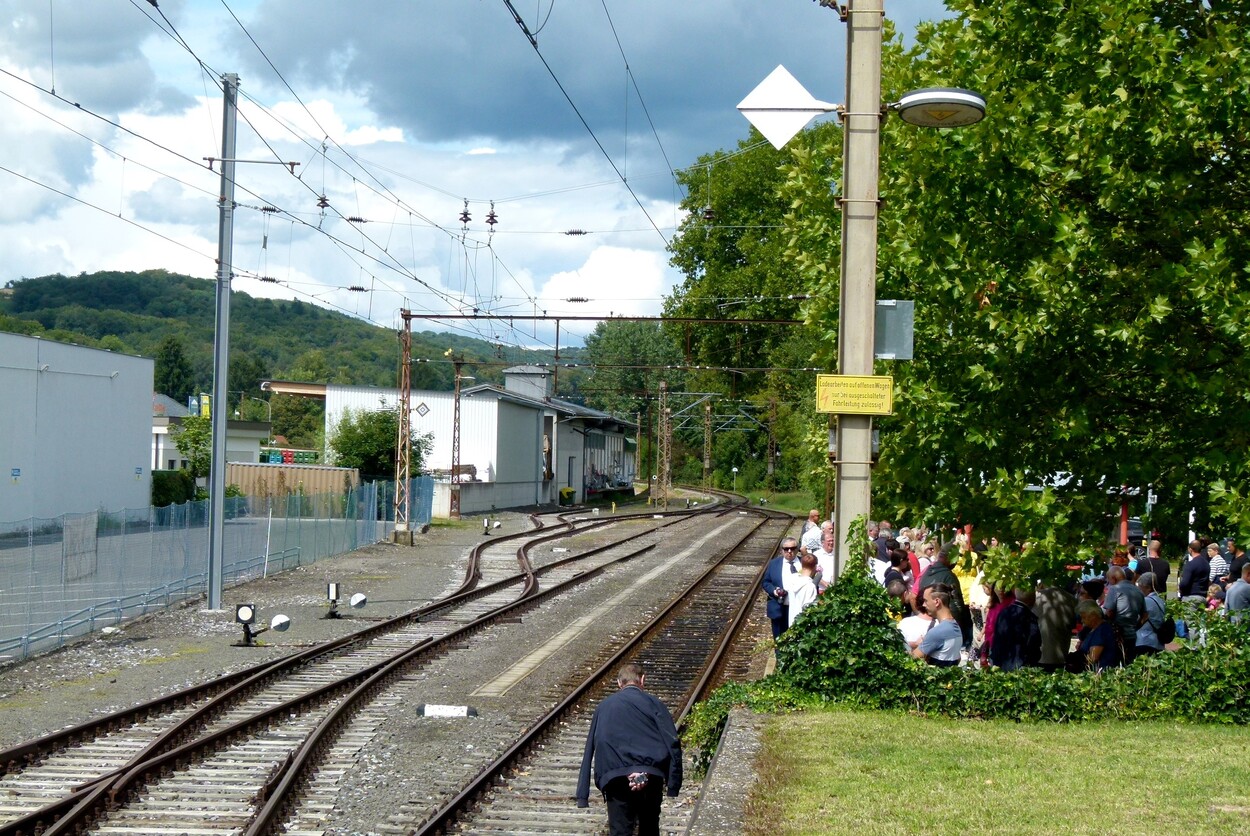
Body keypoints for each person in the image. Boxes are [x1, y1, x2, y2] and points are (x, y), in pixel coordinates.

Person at [576, 663, 682, 836]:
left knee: (620, 830)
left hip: (615, 778)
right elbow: (672, 743)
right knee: (649, 827)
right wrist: (672, 784)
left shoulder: (604, 707)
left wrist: (583, 795)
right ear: (642, 680)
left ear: (619, 683)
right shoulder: (655, 704)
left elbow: (596, 743)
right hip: (651, 776)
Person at [919, 543, 974, 650]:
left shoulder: (927, 572)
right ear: (948, 557)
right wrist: (958, 629)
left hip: (925, 621)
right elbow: (956, 606)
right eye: (955, 558)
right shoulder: (948, 576)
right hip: (944, 626)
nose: (956, 562)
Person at [988, 587, 1041, 671]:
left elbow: (997, 639)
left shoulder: (1003, 612)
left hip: (1001, 663)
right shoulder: (1029, 617)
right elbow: (1034, 644)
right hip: (1021, 666)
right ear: (1032, 599)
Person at [1102, 566, 1145, 663]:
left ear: (1113, 578)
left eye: (1109, 580)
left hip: (1116, 635)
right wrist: (1135, 626)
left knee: (1113, 664)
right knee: (1128, 663)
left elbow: (1109, 612)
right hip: (1132, 636)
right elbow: (1145, 615)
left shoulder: (1114, 589)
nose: (1109, 583)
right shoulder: (1138, 591)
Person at [913, 586, 962, 666]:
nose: (923, 605)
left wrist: (917, 645)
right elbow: (958, 658)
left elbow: (911, 659)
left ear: (937, 602)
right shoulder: (956, 626)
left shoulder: (938, 632)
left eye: (926, 601)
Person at [1034, 581, 1078, 672]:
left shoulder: (1036, 597)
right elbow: (1074, 624)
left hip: (1039, 653)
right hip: (1061, 654)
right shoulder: (1071, 599)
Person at [761, 538, 800, 641]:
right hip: (779, 608)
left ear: (797, 549)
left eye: (792, 548)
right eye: (786, 549)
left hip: (798, 609)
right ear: (781, 550)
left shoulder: (803, 562)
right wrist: (774, 591)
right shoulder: (774, 564)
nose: (789, 551)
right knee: (780, 641)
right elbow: (766, 582)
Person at [1077, 600, 1122, 672]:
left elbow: (1093, 658)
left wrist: (1076, 660)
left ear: (1093, 616)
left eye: (1084, 617)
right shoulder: (1093, 629)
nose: (1082, 621)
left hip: (1100, 672)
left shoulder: (1102, 631)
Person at [783, 553, 819, 627]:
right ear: (815, 567)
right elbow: (809, 609)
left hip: (792, 622)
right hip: (804, 626)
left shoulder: (792, 580)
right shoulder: (810, 586)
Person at [1135, 572, 1166, 657]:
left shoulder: (1146, 601)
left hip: (1144, 640)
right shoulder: (1161, 601)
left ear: (1148, 588)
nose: (1139, 590)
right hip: (1158, 642)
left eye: (1140, 587)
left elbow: (1137, 619)